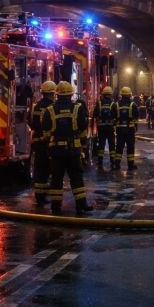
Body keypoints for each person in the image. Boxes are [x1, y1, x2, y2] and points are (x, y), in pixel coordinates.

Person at [42, 81, 92, 215]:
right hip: (73, 150)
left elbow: (46, 131)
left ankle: (56, 207)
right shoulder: (78, 108)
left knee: (56, 179)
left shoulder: (49, 110)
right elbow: (83, 128)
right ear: (71, 94)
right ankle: (81, 205)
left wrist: (51, 143)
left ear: (56, 94)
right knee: (76, 178)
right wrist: (82, 145)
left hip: (56, 151)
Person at [28, 81, 56, 205]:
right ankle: (47, 195)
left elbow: (31, 123)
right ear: (51, 94)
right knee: (50, 169)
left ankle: (39, 196)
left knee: (40, 170)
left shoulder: (36, 106)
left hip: (38, 143)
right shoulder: (53, 107)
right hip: (49, 143)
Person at [94, 86, 119, 170]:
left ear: (103, 94)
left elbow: (95, 115)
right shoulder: (113, 104)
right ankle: (112, 161)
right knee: (112, 145)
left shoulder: (99, 103)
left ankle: (100, 161)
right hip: (110, 128)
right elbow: (116, 116)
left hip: (101, 128)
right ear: (111, 94)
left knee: (101, 144)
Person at [115, 86, 138, 170]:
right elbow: (136, 116)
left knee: (119, 146)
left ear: (122, 95)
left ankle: (117, 164)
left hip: (120, 129)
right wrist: (135, 126)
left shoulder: (116, 104)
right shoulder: (133, 104)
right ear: (129, 95)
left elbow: (113, 116)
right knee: (130, 146)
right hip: (130, 129)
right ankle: (130, 165)